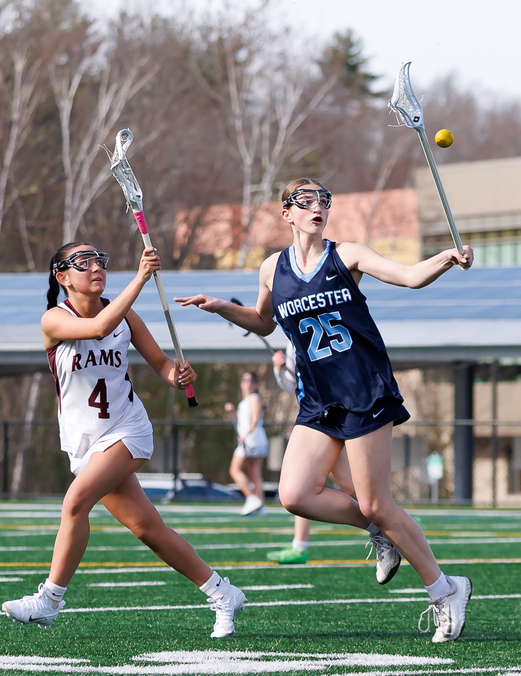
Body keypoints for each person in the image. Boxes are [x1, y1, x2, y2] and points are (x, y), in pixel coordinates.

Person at [176, 178, 475, 643]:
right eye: (307, 201)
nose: (318, 207)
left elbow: (410, 276)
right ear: (287, 213)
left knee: (378, 503)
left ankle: (444, 590)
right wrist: (220, 308)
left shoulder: (348, 255)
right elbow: (262, 321)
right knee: (295, 494)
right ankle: (383, 535)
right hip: (317, 399)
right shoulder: (271, 268)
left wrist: (447, 259)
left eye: (324, 201)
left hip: (363, 391)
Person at [2, 241, 246, 638]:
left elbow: (163, 365)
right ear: (62, 277)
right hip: (84, 441)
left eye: (100, 259)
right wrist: (140, 278)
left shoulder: (126, 315)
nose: (95, 266)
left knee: (75, 502)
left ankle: (49, 600)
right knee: (149, 531)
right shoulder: (54, 320)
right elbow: (98, 327)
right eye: (84, 262)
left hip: (127, 429)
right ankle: (222, 592)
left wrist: (177, 376)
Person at [266, 346, 363, 567]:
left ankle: (394, 520)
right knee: (345, 485)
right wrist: (279, 370)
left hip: (332, 416)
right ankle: (395, 519)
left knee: (311, 485)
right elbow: (293, 386)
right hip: (313, 418)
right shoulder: (293, 337)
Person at [225, 371, 268, 516]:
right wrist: (232, 412)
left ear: (255, 385)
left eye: (251, 380)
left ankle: (251, 498)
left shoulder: (255, 398)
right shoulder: (244, 402)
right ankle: (260, 507)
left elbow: (255, 420)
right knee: (255, 473)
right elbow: (240, 422)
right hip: (249, 439)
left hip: (252, 440)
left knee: (234, 470)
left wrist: (246, 435)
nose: (248, 383)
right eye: (245, 380)